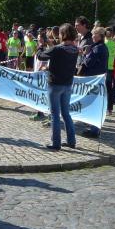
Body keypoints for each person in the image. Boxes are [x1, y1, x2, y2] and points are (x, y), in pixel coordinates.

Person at [37, 23, 79, 151]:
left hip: (55, 84)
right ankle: (71, 141)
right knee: (66, 113)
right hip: (67, 84)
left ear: (63, 34)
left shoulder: (57, 49)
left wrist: (40, 46)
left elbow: (40, 56)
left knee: (55, 114)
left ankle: (56, 143)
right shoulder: (75, 49)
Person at [77, 26, 109, 138]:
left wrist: (85, 54)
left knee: (94, 103)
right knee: (95, 103)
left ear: (100, 36)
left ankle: (94, 130)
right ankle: (93, 128)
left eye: (94, 34)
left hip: (94, 79)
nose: (92, 36)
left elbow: (88, 63)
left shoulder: (97, 48)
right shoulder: (102, 47)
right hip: (97, 78)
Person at [104, 28, 115, 115]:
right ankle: (109, 109)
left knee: (107, 88)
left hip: (106, 68)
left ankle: (108, 108)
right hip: (109, 67)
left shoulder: (105, 42)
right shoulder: (114, 43)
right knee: (108, 88)